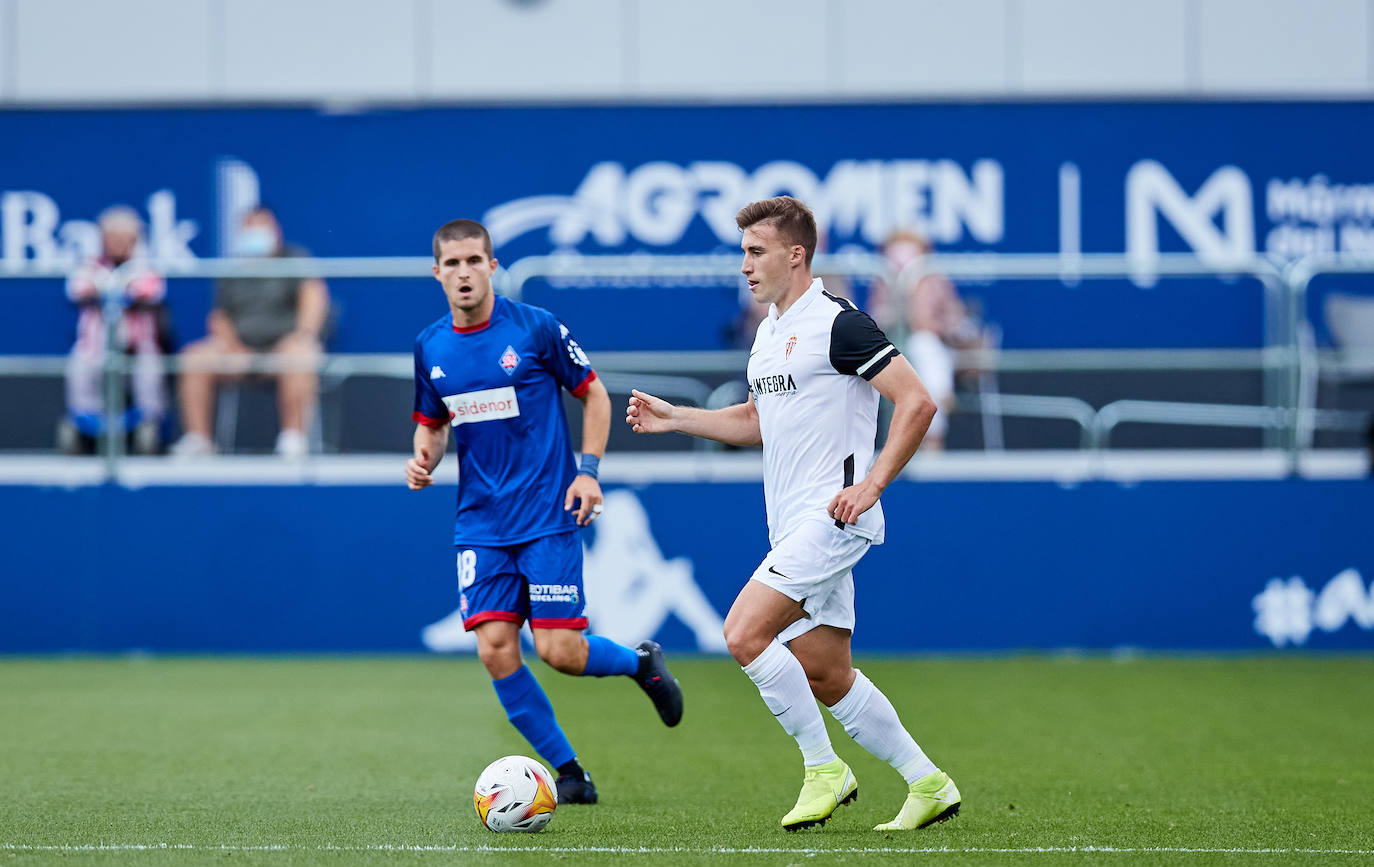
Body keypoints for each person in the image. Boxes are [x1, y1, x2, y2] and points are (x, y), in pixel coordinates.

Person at [626, 196, 959, 832]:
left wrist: (872, 486)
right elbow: (757, 421)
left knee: (744, 634)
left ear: (795, 254)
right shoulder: (768, 333)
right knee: (827, 674)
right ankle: (929, 783)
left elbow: (917, 403)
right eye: (743, 254)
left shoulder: (840, 322)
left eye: (756, 253)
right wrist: (677, 418)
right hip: (794, 523)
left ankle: (823, 770)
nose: (745, 267)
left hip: (834, 517)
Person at [406, 218, 684, 804]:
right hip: (479, 525)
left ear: (492, 266)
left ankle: (640, 663)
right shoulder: (430, 346)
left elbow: (594, 393)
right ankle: (570, 772)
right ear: (436, 273)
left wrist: (588, 472)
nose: (463, 272)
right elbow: (430, 425)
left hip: (546, 515)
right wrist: (423, 460)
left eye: (473, 261)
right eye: (451, 264)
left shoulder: (535, 329)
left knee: (560, 652)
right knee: (495, 648)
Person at [170, 207, 329, 458]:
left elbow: (313, 299)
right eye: (249, 227)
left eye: (261, 226)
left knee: (301, 354)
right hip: (240, 352)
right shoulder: (233, 270)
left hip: (285, 348)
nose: (255, 233)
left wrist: (302, 335)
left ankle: (293, 438)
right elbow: (219, 318)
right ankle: (199, 440)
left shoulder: (295, 259)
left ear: (275, 230)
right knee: (194, 357)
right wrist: (233, 348)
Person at [60, 206, 168, 455]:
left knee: (150, 367)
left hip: (137, 346)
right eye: (112, 237)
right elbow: (77, 289)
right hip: (94, 346)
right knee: (79, 366)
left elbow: (151, 292)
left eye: (124, 238)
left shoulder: (145, 267)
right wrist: (114, 290)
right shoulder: (89, 266)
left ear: (135, 240)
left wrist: (113, 291)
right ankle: (83, 421)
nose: (118, 243)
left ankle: (148, 421)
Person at [877, 231, 983, 452]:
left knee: (926, 348)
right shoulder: (883, 279)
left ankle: (933, 438)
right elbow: (876, 318)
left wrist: (937, 326)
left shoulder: (935, 279)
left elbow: (954, 317)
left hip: (938, 347)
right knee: (922, 354)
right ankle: (941, 397)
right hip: (893, 349)